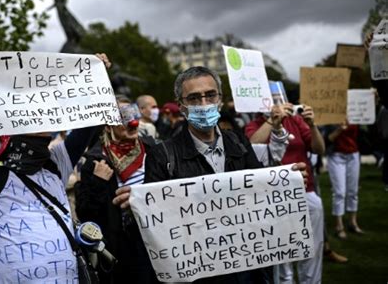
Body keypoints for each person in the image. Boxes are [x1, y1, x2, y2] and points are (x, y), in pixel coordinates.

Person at [114, 66, 308, 283]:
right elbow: (157, 224)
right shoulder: (162, 155)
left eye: (210, 95)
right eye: (194, 98)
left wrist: (287, 183)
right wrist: (139, 207)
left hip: (245, 265)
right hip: (198, 271)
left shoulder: (239, 142)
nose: (204, 103)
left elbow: (258, 194)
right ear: (182, 106)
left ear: (220, 99)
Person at [0, 52, 111, 283]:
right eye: (33, 113)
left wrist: (95, 77)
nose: (42, 118)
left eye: (45, 113)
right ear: (12, 122)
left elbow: (87, 125)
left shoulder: (57, 163)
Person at [75, 95, 158, 284]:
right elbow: (85, 212)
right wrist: (97, 181)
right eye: (123, 118)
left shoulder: (152, 150)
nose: (133, 122)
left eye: (133, 114)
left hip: (153, 239)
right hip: (119, 248)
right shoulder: (96, 160)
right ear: (108, 125)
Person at [246, 103, 325, 284]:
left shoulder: (296, 121)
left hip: (306, 190)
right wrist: (271, 121)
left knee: (312, 247)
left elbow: (319, 149)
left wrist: (312, 125)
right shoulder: (256, 124)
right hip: (273, 197)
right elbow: (251, 146)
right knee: (283, 253)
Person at [324, 121, 364, 238]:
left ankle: (353, 222)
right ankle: (339, 225)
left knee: (353, 191)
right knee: (339, 192)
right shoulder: (331, 116)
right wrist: (339, 129)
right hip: (336, 155)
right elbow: (326, 139)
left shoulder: (356, 114)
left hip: (353, 154)